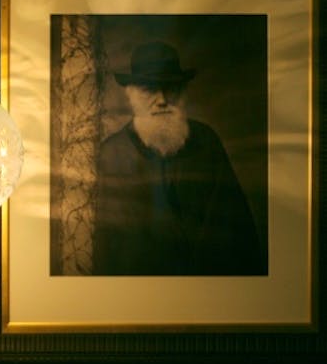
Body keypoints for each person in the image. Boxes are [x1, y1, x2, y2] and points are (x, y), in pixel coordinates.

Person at [91, 41, 265, 276]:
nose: (161, 99)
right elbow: (109, 245)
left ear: (182, 92)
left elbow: (234, 228)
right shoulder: (113, 153)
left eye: (170, 87)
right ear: (132, 96)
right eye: (149, 89)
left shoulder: (206, 141)